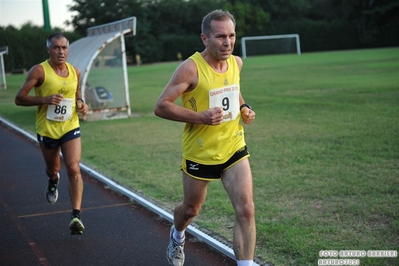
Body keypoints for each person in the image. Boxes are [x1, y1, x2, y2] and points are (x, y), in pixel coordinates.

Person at [154, 10, 256, 266]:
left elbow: (233, 90)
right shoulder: (190, 68)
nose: (228, 42)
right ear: (204, 38)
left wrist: (244, 107)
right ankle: (177, 236)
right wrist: (201, 117)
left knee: (246, 209)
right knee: (191, 210)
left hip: (234, 146)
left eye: (231, 35)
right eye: (220, 36)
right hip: (200, 152)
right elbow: (161, 106)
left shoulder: (236, 62)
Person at [15, 32, 88, 235]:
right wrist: (44, 99)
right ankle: (53, 181)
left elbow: (77, 92)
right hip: (47, 129)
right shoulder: (39, 71)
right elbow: (19, 98)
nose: (61, 51)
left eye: (64, 47)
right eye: (56, 47)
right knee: (53, 169)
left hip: (70, 126)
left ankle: (76, 216)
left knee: (73, 168)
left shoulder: (75, 71)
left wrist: (81, 103)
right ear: (48, 49)